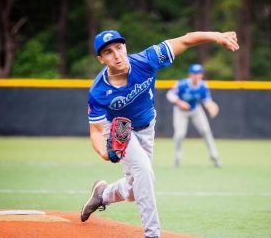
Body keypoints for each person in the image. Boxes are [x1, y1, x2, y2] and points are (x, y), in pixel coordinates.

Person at [80, 29, 239, 238]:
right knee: (144, 172)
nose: (117, 54)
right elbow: (96, 132)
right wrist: (104, 152)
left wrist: (216, 36)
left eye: (119, 47)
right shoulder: (99, 91)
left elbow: (185, 40)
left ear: (125, 46)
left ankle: (104, 194)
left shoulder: (147, 59)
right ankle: (152, 234)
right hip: (120, 131)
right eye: (108, 52)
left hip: (147, 127)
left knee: (135, 188)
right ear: (101, 59)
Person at [166, 63, 221, 167]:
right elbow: (170, 94)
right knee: (179, 135)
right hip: (180, 111)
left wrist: (211, 106)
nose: (197, 75)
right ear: (190, 74)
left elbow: (206, 100)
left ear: (201, 75)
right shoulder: (182, 84)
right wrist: (180, 103)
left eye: (199, 73)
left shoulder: (203, 86)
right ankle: (177, 158)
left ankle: (215, 156)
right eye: (195, 73)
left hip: (195, 109)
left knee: (206, 131)